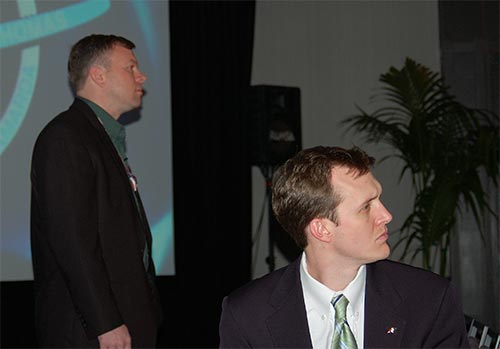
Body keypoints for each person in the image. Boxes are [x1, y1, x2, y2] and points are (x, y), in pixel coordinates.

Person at [219, 146, 470, 348]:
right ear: (322, 229)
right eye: (366, 207)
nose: (386, 215)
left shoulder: (429, 300)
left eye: (379, 199)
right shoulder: (247, 315)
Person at [30, 34, 162, 348]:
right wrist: (107, 323)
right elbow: (72, 242)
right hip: (93, 333)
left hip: (125, 321)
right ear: (98, 75)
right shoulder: (66, 137)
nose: (141, 76)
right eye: (130, 67)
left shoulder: (99, 136)